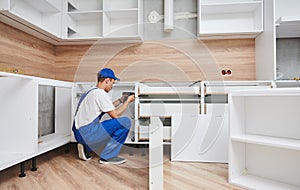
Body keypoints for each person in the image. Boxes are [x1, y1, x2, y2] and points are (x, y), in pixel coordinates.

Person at [72, 68, 135, 165]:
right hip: (87, 132)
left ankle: (86, 147)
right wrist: (128, 101)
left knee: (108, 128)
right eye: (112, 83)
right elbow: (116, 115)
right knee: (125, 122)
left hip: (79, 133)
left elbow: (107, 107)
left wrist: (121, 100)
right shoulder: (101, 94)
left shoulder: (91, 91)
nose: (112, 86)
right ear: (107, 80)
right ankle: (107, 157)